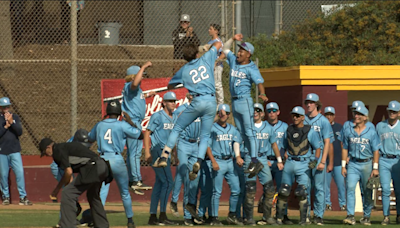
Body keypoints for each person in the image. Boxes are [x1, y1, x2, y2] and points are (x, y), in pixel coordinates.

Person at [153, 39, 223, 181]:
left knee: (177, 128)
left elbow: (170, 85)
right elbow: (218, 44)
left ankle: (165, 155)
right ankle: (198, 161)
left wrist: (180, 83)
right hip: (210, 100)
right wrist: (210, 45)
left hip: (197, 101)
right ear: (197, 53)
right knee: (204, 136)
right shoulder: (206, 57)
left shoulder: (183, 70)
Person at [88, 101, 143, 228]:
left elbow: (90, 138)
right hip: (117, 159)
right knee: (124, 192)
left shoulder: (100, 125)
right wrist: (130, 122)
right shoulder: (122, 125)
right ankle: (130, 220)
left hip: (102, 160)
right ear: (119, 113)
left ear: (107, 112)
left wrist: (101, 124)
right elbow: (140, 135)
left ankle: (96, 220)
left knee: (101, 191)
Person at [222, 33, 268, 176]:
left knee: (249, 131)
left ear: (248, 54)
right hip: (234, 101)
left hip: (245, 100)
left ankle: (255, 160)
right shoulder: (234, 61)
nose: (239, 52)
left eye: (242, 50)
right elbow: (225, 49)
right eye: (239, 49)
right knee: (241, 132)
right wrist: (233, 39)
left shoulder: (251, 67)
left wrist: (262, 94)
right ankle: (253, 159)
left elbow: (259, 82)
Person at [39, 138, 113, 228]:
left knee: (67, 193)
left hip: (92, 167)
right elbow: (68, 175)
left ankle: (67, 225)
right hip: (103, 166)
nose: (46, 155)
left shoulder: (57, 150)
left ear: (49, 147)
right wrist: (58, 189)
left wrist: (62, 189)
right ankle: (102, 225)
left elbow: (68, 172)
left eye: (44, 152)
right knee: (92, 195)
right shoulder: (64, 147)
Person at [276, 106, 321, 225]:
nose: (294, 118)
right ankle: (280, 217)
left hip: (304, 162)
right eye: (293, 115)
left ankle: (304, 218)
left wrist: (315, 160)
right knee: (284, 190)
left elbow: (317, 148)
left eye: (297, 116)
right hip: (290, 161)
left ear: (302, 117)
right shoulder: (289, 130)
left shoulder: (310, 131)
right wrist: (280, 160)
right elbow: (283, 146)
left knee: (302, 191)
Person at [201, 104, 243, 225]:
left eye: (225, 114)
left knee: (236, 189)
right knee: (216, 191)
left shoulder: (232, 129)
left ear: (229, 115)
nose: (223, 115)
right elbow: (207, 146)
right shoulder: (212, 128)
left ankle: (232, 215)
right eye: (220, 113)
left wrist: (238, 156)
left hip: (230, 161)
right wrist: (213, 161)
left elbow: (236, 142)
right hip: (218, 160)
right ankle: (214, 217)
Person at [243, 103, 284, 225]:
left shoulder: (268, 127)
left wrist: (279, 160)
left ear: (262, 113)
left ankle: (267, 217)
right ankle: (249, 218)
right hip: (250, 158)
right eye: (253, 110)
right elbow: (238, 142)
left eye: (258, 110)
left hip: (263, 157)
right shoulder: (247, 127)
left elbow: (274, 145)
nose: (255, 112)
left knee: (270, 189)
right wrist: (239, 156)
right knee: (250, 189)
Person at [341, 105, 380, 226]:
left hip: (367, 163)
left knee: (367, 191)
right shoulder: (349, 130)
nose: (356, 116)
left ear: (365, 117)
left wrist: (375, 168)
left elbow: (376, 151)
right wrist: (343, 165)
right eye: (355, 114)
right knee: (350, 188)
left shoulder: (371, 132)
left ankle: (366, 216)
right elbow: (345, 148)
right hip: (352, 163)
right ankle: (350, 215)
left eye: (359, 114)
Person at [144, 92, 178, 225]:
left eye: (174, 101)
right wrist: (147, 152)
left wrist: (175, 155)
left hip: (167, 153)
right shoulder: (157, 116)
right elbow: (147, 133)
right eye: (170, 101)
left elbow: (173, 138)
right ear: (163, 102)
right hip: (158, 150)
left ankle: (153, 216)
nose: (173, 103)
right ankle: (162, 215)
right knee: (168, 182)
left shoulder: (174, 117)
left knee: (159, 184)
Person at [169, 93, 202, 226]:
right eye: (197, 95)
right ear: (190, 96)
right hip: (184, 142)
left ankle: (191, 210)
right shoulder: (181, 110)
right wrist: (174, 152)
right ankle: (175, 201)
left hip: (195, 144)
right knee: (183, 172)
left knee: (194, 178)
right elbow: (175, 131)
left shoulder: (201, 110)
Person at [122, 62, 155, 195]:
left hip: (134, 122)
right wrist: (144, 67)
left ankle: (132, 180)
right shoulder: (131, 86)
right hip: (133, 122)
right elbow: (134, 83)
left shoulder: (136, 90)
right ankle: (136, 180)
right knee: (135, 153)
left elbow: (135, 97)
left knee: (132, 153)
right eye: (141, 75)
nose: (143, 78)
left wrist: (147, 95)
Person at [257, 102, 293, 224]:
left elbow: (289, 143)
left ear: (278, 112)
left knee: (283, 189)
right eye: (269, 111)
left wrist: (284, 158)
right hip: (265, 160)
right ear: (265, 113)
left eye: (274, 110)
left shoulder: (284, 126)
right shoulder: (262, 125)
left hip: (280, 162)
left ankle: (283, 215)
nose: (271, 113)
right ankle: (265, 216)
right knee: (267, 190)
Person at [303, 93, 332, 225]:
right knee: (306, 187)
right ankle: (307, 214)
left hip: (318, 155)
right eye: (307, 102)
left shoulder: (323, 121)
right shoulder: (303, 119)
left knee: (319, 188)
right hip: (305, 156)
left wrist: (323, 161)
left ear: (317, 104)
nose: (308, 105)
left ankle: (319, 215)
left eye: (311, 102)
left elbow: (327, 142)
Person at [0, 97, 32, 206]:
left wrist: (11, 123)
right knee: (3, 175)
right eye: (4, 107)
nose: (6, 109)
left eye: (7, 106)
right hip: (2, 151)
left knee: (19, 173)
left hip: (14, 150)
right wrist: (5, 126)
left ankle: (23, 197)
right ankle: (6, 196)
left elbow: (19, 131)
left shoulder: (15, 117)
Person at [376, 101, 400, 225]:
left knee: (398, 189)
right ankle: (386, 216)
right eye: (390, 111)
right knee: (385, 189)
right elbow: (375, 146)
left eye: (394, 111)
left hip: (398, 160)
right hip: (384, 159)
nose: (392, 113)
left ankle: (399, 215)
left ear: (399, 113)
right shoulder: (380, 126)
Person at [323, 107, 346, 212]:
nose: (329, 117)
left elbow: (343, 144)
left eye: (331, 114)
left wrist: (345, 159)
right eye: (327, 114)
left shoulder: (339, 127)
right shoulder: (322, 126)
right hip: (325, 160)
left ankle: (343, 204)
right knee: (325, 185)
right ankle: (327, 204)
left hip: (338, 161)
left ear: (334, 116)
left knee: (341, 184)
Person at [207, 24, 225, 106]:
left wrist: (216, 62)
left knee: (217, 85)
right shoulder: (210, 41)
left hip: (217, 66)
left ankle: (221, 104)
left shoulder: (218, 41)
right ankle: (213, 103)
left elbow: (223, 53)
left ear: (216, 31)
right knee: (211, 84)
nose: (209, 30)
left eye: (211, 29)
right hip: (210, 66)